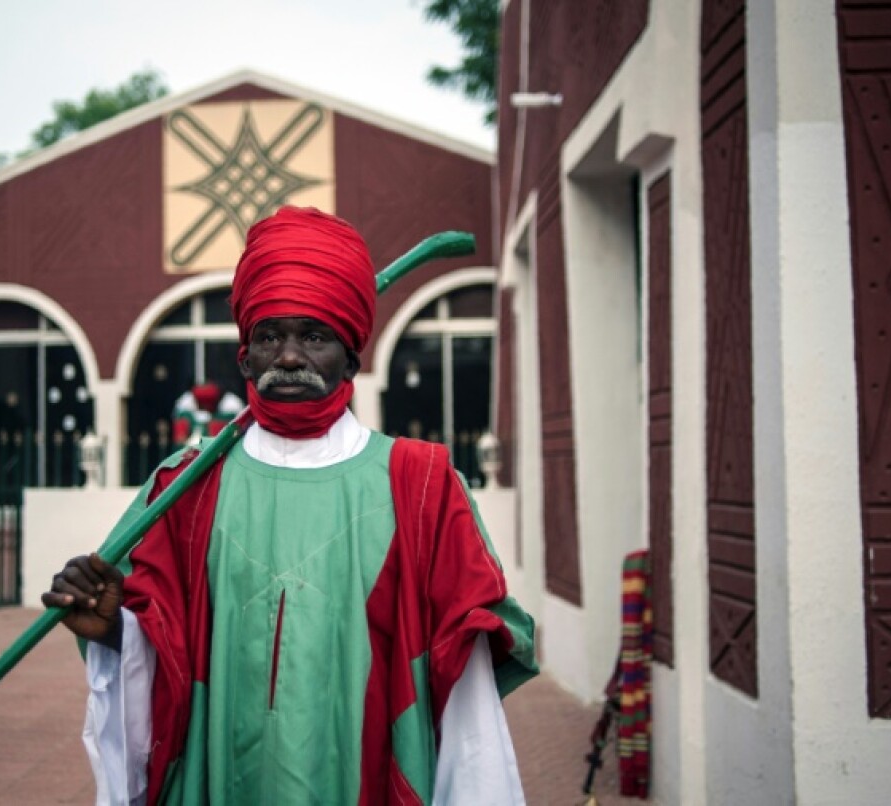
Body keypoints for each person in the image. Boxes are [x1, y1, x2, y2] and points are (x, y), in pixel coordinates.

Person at [44, 207, 536, 805]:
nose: (290, 357)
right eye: (270, 336)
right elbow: (157, 650)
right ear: (244, 357)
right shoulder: (186, 485)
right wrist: (119, 632)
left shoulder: (423, 485)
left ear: (352, 357)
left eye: (315, 336)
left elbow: (468, 699)